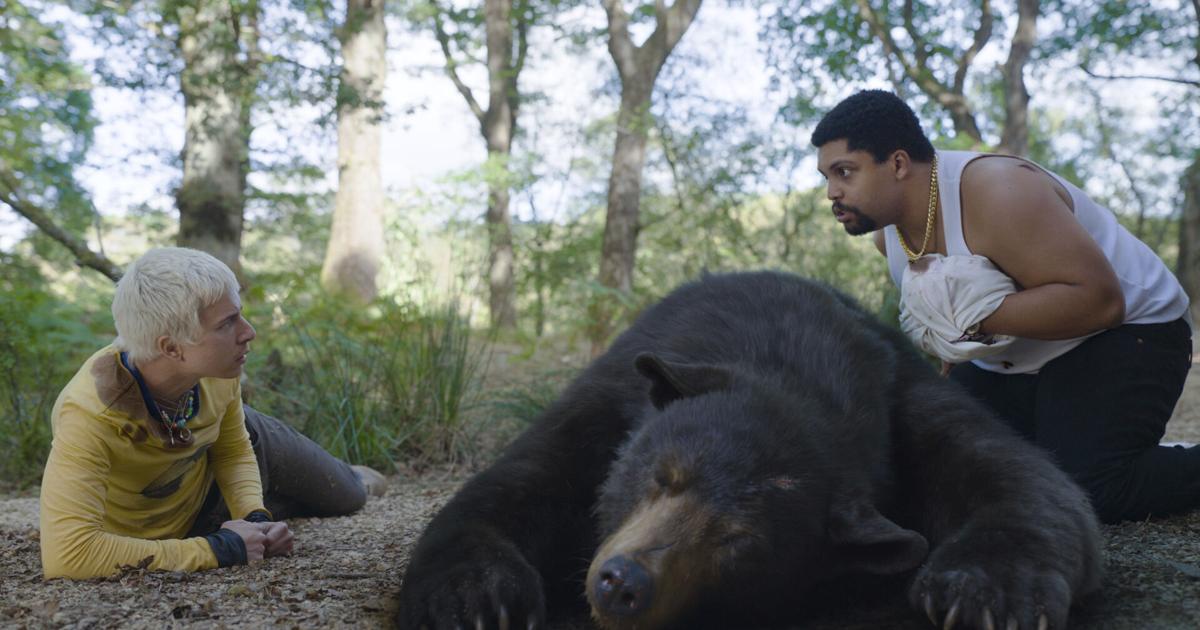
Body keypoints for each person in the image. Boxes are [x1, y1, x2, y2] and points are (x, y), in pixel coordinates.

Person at [811, 89, 1198, 523]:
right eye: (827, 176)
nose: (831, 192)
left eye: (844, 172)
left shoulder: (999, 190)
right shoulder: (890, 237)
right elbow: (948, 329)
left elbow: (1100, 302)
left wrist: (971, 317)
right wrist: (948, 354)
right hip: (1014, 361)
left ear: (898, 164)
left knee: (1090, 488)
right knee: (927, 466)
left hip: (1127, 332)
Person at [39, 247, 387, 579]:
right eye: (227, 323)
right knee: (303, 506)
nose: (249, 333)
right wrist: (221, 549)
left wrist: (252, 517)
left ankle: (351, 477)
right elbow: (68, 554)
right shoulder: (90, 415)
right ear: (171, 347)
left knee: (349, 497)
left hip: (221, 472)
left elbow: (234, 448)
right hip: (187, 524)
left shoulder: (218, 371)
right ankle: (303, 491)